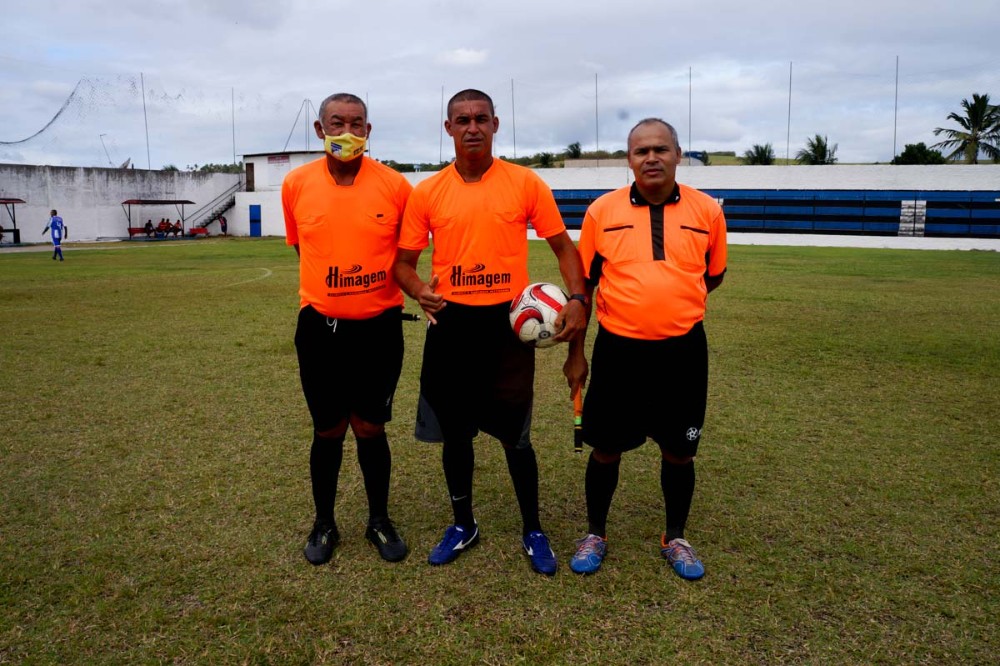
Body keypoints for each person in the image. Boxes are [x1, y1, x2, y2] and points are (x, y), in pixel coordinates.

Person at [393, 89, 587, 576]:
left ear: (496, 125)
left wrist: (578, 299)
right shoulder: (428, 192)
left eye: (481, 118)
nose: (472, 127)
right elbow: (403, 264)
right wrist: (419, 290)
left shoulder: (524, 183)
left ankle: (533, 529)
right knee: (456, 435)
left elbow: (564, 247)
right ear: (448, 128)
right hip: (452, 325)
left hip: (507, 326)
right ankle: (464, 525)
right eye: (462, 120)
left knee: (516, 437)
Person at [564, 118, 728, 580]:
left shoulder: (707, 211)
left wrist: (669, 303)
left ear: (678, 154)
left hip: (683, 353)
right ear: (629, 159)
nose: (651, 158)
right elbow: (583, 290)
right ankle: (595, 533)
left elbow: (712, 275)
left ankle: (675, 537)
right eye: (641, 151)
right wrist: (576, 354)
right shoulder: (602, 211)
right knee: (605, 448)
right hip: (619, 352)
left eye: (660, 149)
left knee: (680, 451)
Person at [282, 92, 413, 565]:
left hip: (379, 329)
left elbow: (406, 257)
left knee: (370, 427)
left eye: (357, 124)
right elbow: (304, 249)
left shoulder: (395, 186)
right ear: (320, 130)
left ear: (368, 130)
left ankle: (379, 520)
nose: (347, 132)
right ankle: (324, 523)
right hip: (320, 329)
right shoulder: (296, 184)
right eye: (337, 123)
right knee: (329, 429)